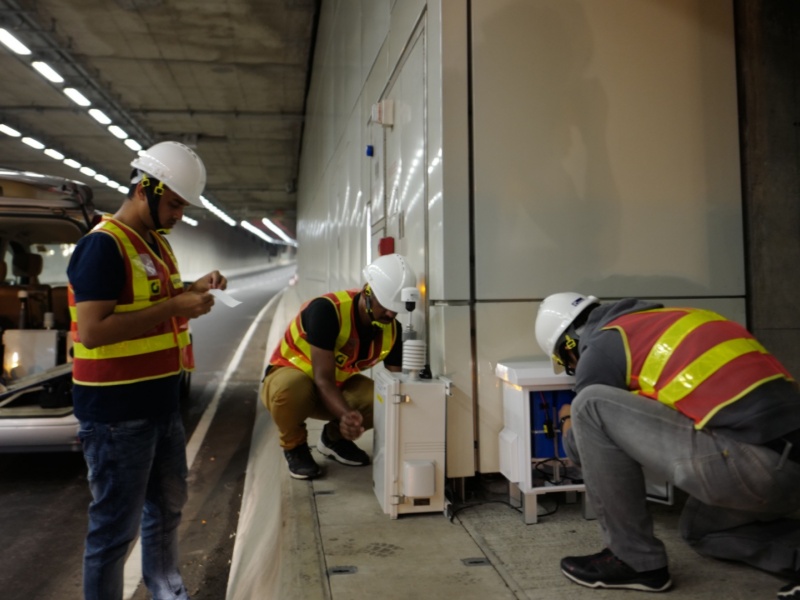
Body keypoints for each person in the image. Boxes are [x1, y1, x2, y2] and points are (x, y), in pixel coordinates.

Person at [534, 293, 800, 599]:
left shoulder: (601, 348)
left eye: (566, 362)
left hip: (757, 470)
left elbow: (580, 448)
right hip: (786, 469)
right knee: (703, 532)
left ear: (569, 344)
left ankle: (634, 560)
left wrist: (566, 418)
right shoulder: (681, 319)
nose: (574, 368)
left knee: (588, 406)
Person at [67, 141, 227, 600]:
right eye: (174, 203)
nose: (179, 214)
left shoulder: (153, 243)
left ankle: (166, 590)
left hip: (160, 406)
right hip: (116, 415)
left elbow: (152, 299)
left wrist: (191, 288)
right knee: (113, 531)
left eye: (183, 206)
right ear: (144, 190)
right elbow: (93, 331)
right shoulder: (102, 245)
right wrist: (176, 306)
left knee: (167, 509)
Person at [261, 253, 416, 479]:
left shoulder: (392, 330)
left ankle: (333, 440)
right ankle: (294, 446)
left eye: (396, 307)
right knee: (293, 387)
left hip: (332, 386)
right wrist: (346, 415)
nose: (391, 313)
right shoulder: (327, 311)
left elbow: (398, 383)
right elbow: (322, 379)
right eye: (385, 305)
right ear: (367, 292)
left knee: (382, 398)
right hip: (289, 382)